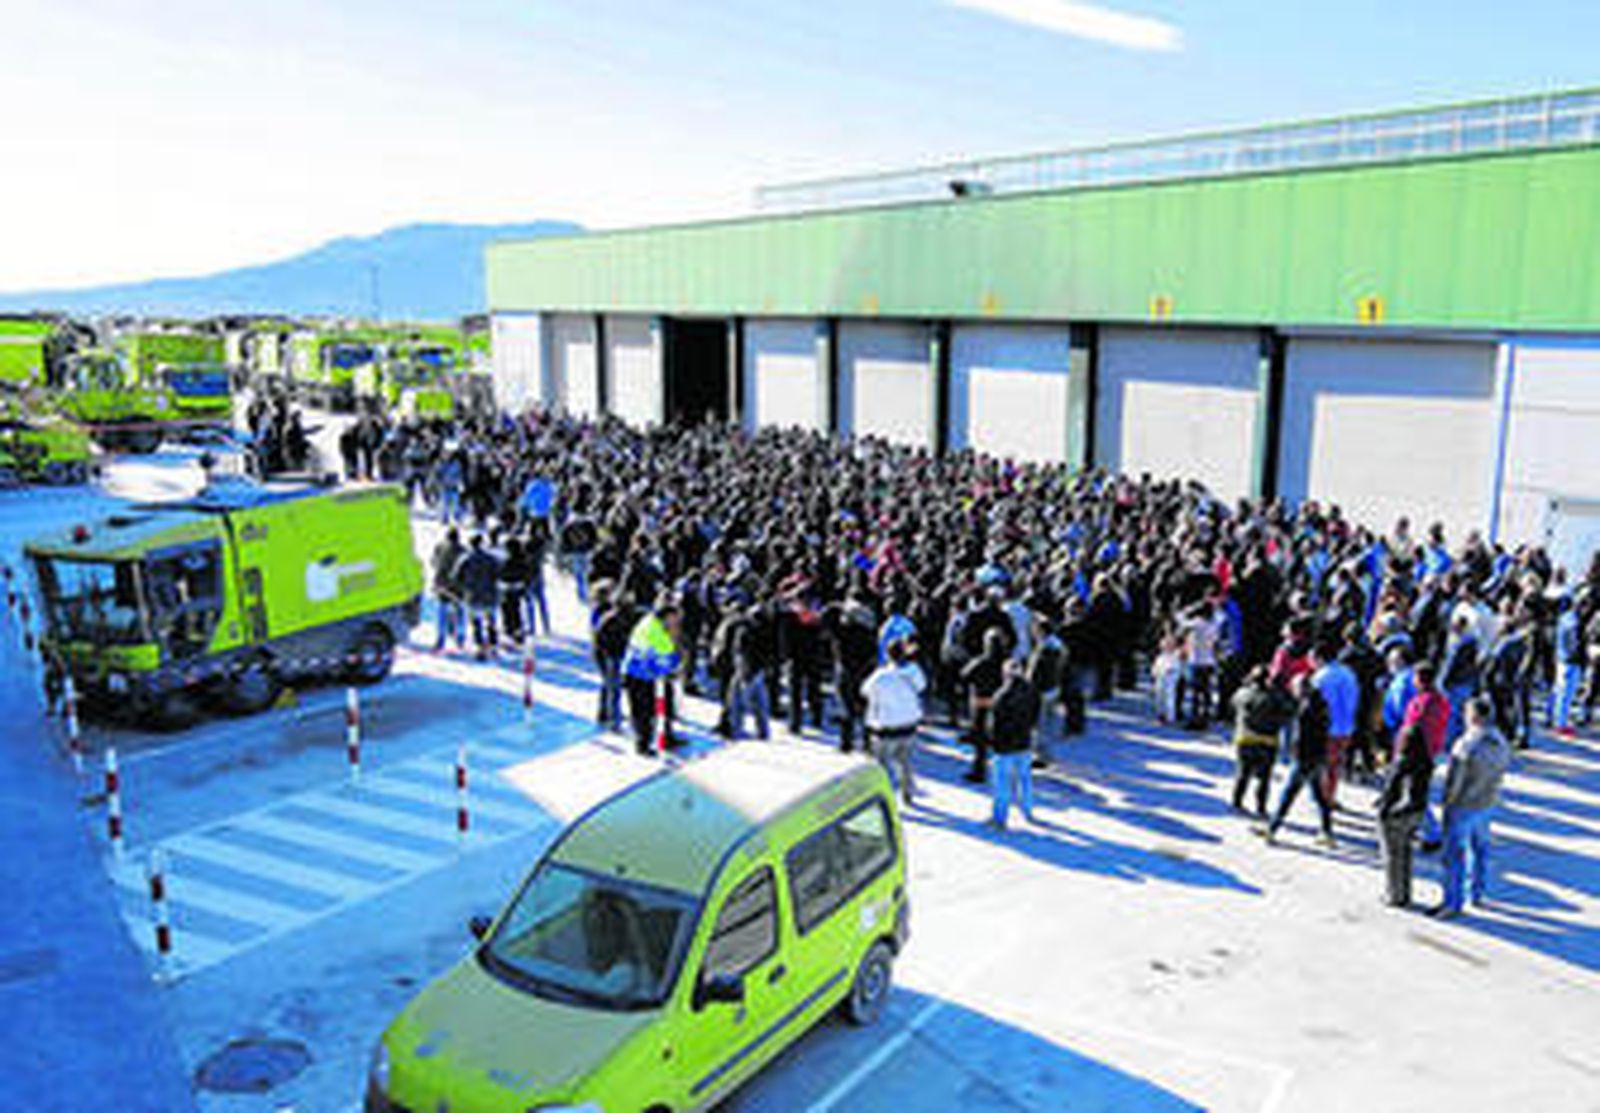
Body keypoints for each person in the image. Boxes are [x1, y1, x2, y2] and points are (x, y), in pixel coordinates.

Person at [1430, 697, 1513, 919]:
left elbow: (1454, 781)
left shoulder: (1465, 745)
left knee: (1454, 855)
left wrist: (1447, 802)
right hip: (1487, 802)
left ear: (1473, 717)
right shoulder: (1500, 741)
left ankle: (1452, 902)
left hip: (1463, 804)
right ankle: (1478, 892)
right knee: (1480, 850)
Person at [1257, 673, 1336, 847]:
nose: (1292, 691)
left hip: (1304, 757)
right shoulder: (1322, 704)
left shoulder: (1304, 709)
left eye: (1294, 688)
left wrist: (1293, 754)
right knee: (1319, 796)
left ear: (1301, 688)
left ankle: (1272, 829)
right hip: (1318, 755)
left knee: (1288, 794)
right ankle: (1327, 832)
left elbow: (1298, 737)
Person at [862, 638, 926, 805]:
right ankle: (907, 793)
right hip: (908, 723)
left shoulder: (880, 676)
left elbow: (865, 690)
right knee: (905, 762)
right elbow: (922, 686)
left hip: (886, 726)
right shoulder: (914, 671)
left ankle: (884, 798)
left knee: (882, 765)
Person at [1376, 723, 1433, 909]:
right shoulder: (1426, 762)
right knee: (1406, 854)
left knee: (1392, 857)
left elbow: (1391, 790)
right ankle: (1405, 893)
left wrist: (1383, 813)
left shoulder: (1402, 761)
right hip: (1417, 812)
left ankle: (1394, 895)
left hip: (1398, 814)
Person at [1229, 665, 1294, 816]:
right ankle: (1261, 807)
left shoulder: (1241, 693)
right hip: (1268, 741)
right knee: (1265, 777)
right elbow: (1288, 714)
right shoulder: (1275, 697)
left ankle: (1237, 802)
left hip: (1244, 738)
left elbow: (1232, 706)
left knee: (1243, 773)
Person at [621, 599, 682, 757]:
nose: (677, 623)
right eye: (674, 619)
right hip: (640, 675)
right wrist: (673, 637)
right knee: (644, 711)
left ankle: (665, 737)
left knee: (661, 706)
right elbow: (669, 660)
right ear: (666, 617)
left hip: (644, 672)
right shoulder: (656, 632)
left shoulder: (649, 621)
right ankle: (643, 744)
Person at [988, 658, 1040, 830]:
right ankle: (1028, 810)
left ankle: (999, 817)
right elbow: (1035, 715)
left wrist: (993, 742)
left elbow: (995, 723)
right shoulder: (1032, 691)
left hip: (1004, 745)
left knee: (1002, 782)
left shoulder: (1001, 695)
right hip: (1024, 742)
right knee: (1025, 779)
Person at [1311, 639, 1360, 807]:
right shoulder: (1349, 673)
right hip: (1346, 727)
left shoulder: (1320, 677)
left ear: (1320, 658)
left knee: (1322, 764)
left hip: (1326, 727)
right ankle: (1330, 795)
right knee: (1335, 765)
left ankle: (1321, 797)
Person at [961, 628, 1009, 784]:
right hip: (1001, 703)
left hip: (980, 702)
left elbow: (965, 675)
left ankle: (979, 771)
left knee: (980, 741)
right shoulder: (1007, 662)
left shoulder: (980, 662)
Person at [455, 534, 502, 661]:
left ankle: (480, 647)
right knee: (491, 621)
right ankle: (493, 645)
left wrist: (464, 587)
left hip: (473, 595)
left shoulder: (465, 559)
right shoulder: (491, 559)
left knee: (477, 622)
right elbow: (498, 574)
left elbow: (456, 577)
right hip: (490, 595)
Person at [430, 528, 465, 653]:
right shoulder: (463, 550)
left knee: (442, 612)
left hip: (442, 584)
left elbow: (433, 562)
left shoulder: (439, 547)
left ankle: (440, 638)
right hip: (457, 587)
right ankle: (460, 638)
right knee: (459, 612)